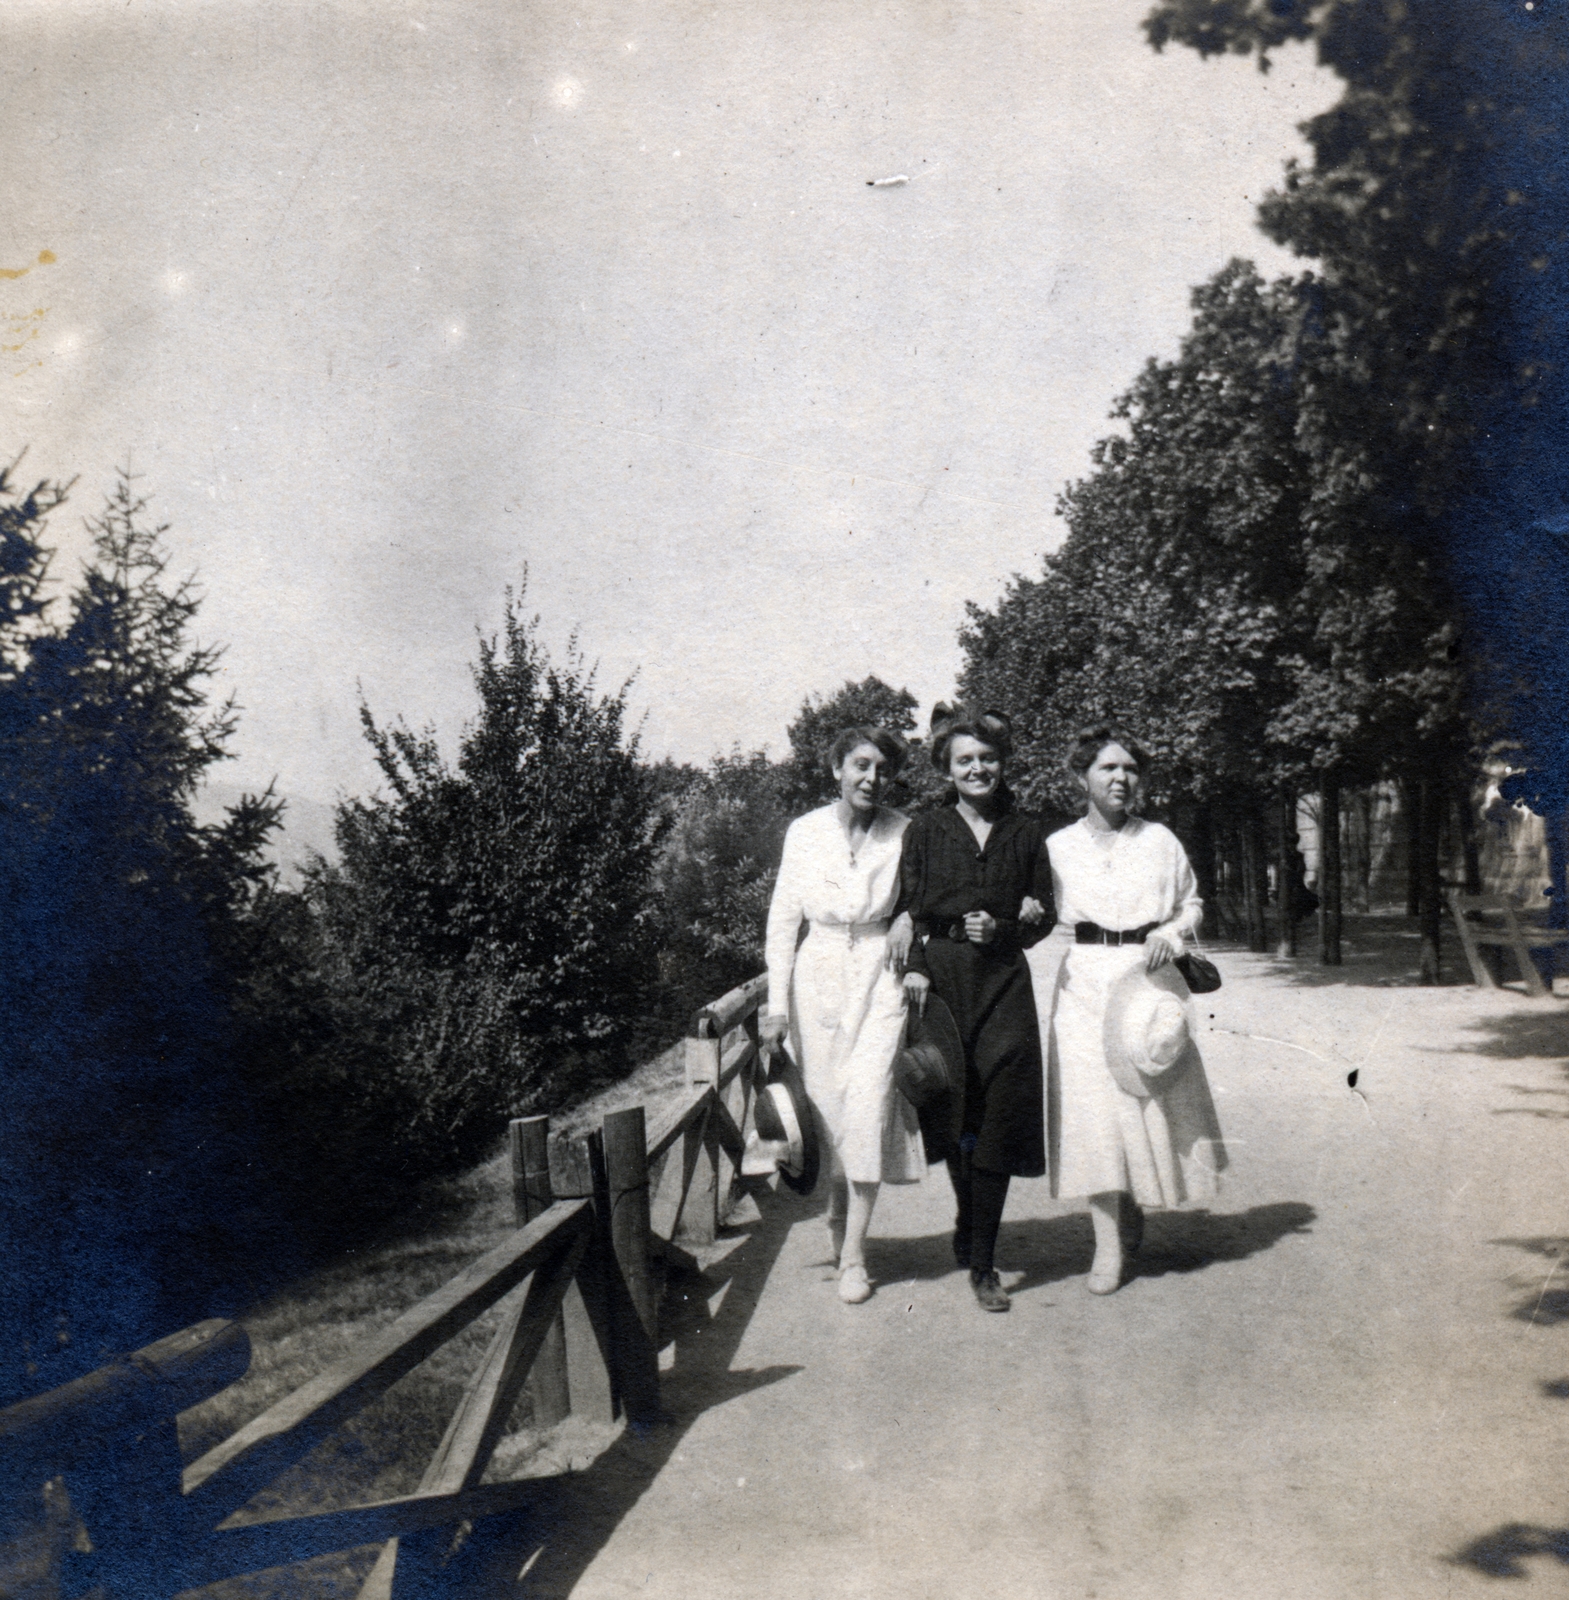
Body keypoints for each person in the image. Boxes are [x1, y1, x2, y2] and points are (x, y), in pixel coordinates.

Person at [1044, 727, 1227, 1294]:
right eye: (1107, 769)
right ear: (1082, 778)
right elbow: (1034, 912)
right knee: (1091, 1110)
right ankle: (1105, 1245)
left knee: (1144, 1100)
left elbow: (1191, 902)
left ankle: (1134, 1205)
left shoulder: (1160, 841)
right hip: (1082, 983)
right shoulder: (1056, 847)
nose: (1121, 778)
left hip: (1147, 980)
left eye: (1129, 769)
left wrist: (1173, 931)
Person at [895, 705, 1053, 1313]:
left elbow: (1047, 913)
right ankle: (967, 1215)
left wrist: (1012, 925)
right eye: (966, 759)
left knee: (1001, 1108)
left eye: (988, 758)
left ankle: (983, 1263)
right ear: (947, 766)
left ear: (1001, 763)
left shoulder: (1026, 831)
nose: (978, 768)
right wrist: (913, 965)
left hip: (1005, 982)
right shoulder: (927, 830)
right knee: (957, 1105)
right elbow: (911, 910)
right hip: (943, 981)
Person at [760, 725, 923, 1305]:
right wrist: (776, 1006)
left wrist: (908, 920)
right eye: (860, 765)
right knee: (828, 1112)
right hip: (818, 974)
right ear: (836, 769)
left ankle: (854, 1254)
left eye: (882, 769)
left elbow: (924, 897)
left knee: (871, 1105)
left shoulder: (906, 831)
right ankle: (837, 1223)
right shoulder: (804, 833)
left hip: (881, 977)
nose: (871, 778)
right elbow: (782, 923)